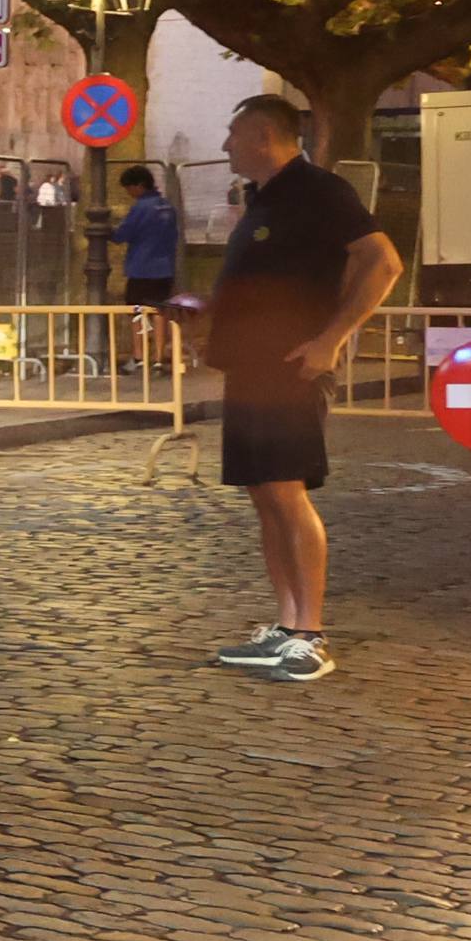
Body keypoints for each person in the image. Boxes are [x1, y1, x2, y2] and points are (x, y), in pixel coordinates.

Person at [199, 96, 401, 684]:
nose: (225, 146)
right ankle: (286, 626)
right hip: (250, 366)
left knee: (286, 493)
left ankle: (311, 633)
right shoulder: (264, 198)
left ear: (264, 136)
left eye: (233, 135)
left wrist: (331, 339)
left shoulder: (318, 189)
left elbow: (383, 262)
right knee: (263, 494)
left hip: (291, 367)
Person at [112, 165, 181, 370]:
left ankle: (139, 357)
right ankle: (159, 358)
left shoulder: (142, 207)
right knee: (160, 312)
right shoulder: (167, 206)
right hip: (165, 268)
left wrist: (108, 232)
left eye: (130, 188)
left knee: (137, 312)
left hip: (142, 268)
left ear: (139, 185)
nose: (129, 193)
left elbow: (123, 234)